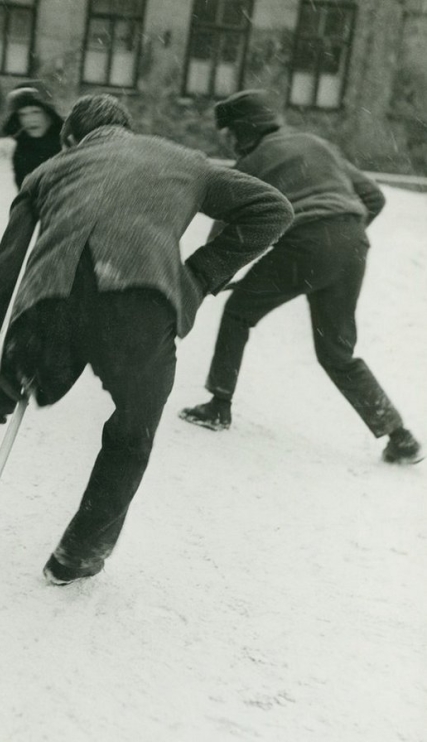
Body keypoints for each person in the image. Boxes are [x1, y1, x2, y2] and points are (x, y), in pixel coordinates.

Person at [0, 94, 293, 585]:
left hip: (50, 308)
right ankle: (78, 552)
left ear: (70, 138)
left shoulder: (52, 169)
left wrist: (3, 356)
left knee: (42, 363)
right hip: (139, 309)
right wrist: (200, 274)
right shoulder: (185, 162)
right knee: (132, 432)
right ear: (128, 129)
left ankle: (23, 378)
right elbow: (273, 209)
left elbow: (4, 272)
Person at [179, 89, 423, 465]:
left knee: (238, 313)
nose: (227, 145)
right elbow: (373, 197)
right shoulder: (315, 142)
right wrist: (342, 235)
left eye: (227, 136)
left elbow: (224, 231)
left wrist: (210, 275)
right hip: (353, 245)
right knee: (337, 351)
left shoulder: (253, 161)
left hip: (305, 245)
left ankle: (218, 405)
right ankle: (398, 435)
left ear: (242, 131)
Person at [2, 80, 63, 189]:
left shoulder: (70, 144)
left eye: (36, 112)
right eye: (23, 114)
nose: (30, 119)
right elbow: (23, 195)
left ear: (49, 114)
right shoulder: (22, 149)